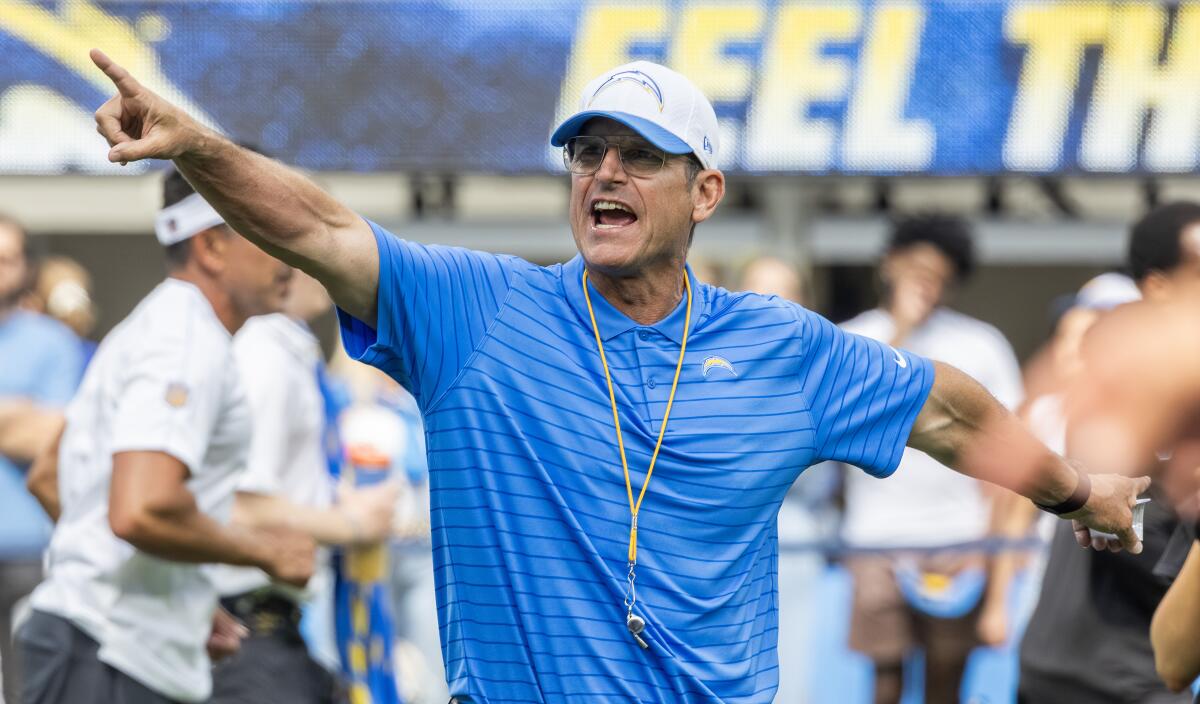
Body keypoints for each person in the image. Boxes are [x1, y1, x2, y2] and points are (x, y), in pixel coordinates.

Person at [87, 50, 1148, 702]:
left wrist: (1074, 489)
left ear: (706, 190)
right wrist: (201, 150)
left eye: (638, 154)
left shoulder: (782, 346)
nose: (603, 171)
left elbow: (950, 410)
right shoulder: (479, 310)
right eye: (585, 151)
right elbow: (318, 224)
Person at [17, 168, 315, 704]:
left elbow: (49, 477)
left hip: (102, 648)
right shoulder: (184, 342)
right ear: (212, 247)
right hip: (106, 656)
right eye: (267, 227)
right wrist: (264, 554)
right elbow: (140, 509)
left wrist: (179, 593)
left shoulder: (159, 327)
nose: (290, 249)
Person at [1015, 203, 1200, 704]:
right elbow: (1123, 534)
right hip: (1115, 675)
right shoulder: (1130, 371)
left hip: (1125, 667)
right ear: (1161, 285)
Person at [837, 215, 1024, 704]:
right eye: (916, 268)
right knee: (885, 682)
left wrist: (987, 542)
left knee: (947, 681)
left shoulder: (981, 344)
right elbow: (844, 418)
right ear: (888, 264)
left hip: (957, 541)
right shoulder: (851, 338)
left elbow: (1010, 454)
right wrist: (901, 328)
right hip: (874, 542)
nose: (926, 282)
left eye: (939, 275)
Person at [208, 269, 398, 704]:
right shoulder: (265, 354)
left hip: (274, 629)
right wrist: (352, 523)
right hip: (249, 629)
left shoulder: (290, 349)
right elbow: (241, 506)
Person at [0, 215, 86, 703]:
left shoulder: (53, 343)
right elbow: (29, 426)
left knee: (30, 693)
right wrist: (18, 412)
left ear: (27, 268)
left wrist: (32, 424)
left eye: (8, 259)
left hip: (30, 554)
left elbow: (55, 436)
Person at [737, 255, 829, 704]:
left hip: (795, 541)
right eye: (757, 292)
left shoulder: (825, 374)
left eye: (782, 294)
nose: (769, 305)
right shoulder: (696, 368)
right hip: (713, 545)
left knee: (792, 674)